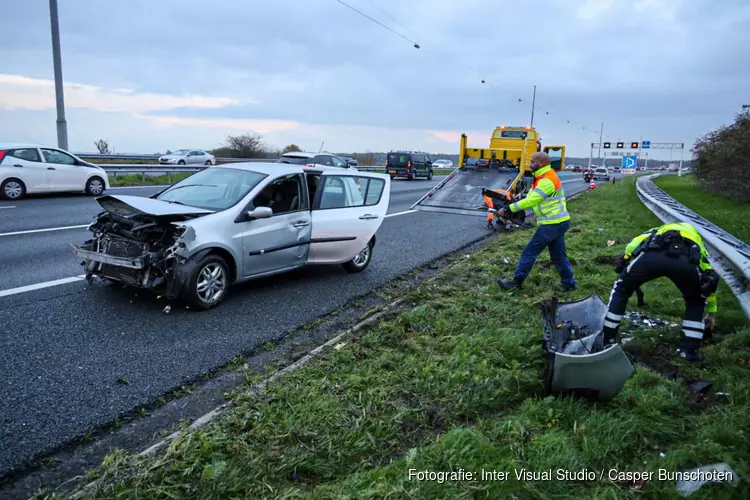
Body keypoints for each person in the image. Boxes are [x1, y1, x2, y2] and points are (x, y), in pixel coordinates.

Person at [602, 222, 720, 361]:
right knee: (696, 301)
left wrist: (632, 273)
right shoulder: (696, 240)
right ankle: (688, 352)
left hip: (653, 256)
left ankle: (608, 339)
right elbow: (709, 278)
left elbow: (631, 247)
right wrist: (711, 312)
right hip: (684, 261)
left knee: (621, 289)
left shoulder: (657, 230)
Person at [496, 152, 577, 291]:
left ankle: (516, 283)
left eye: (532, 162)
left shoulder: (546, 180)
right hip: (558, 222)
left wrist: (509, 208)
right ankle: (569, 284)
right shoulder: (543, 177)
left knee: (529, 252)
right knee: (558, 256)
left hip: (552, 224)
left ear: (541, 163)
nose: (529, 164)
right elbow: (532, 198)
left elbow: (532, 200)